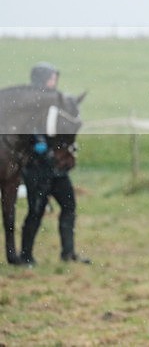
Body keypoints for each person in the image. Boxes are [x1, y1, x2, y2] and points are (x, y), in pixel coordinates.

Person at [19, 62, 90, 266]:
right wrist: (38, 143)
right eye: (51, 79)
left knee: (69, 206)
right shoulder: (29, 103)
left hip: (56, 168)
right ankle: (26, 256)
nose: (54, 82)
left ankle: (68, 253)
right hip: (35, 167)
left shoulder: (57, 104)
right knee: (36, 211)